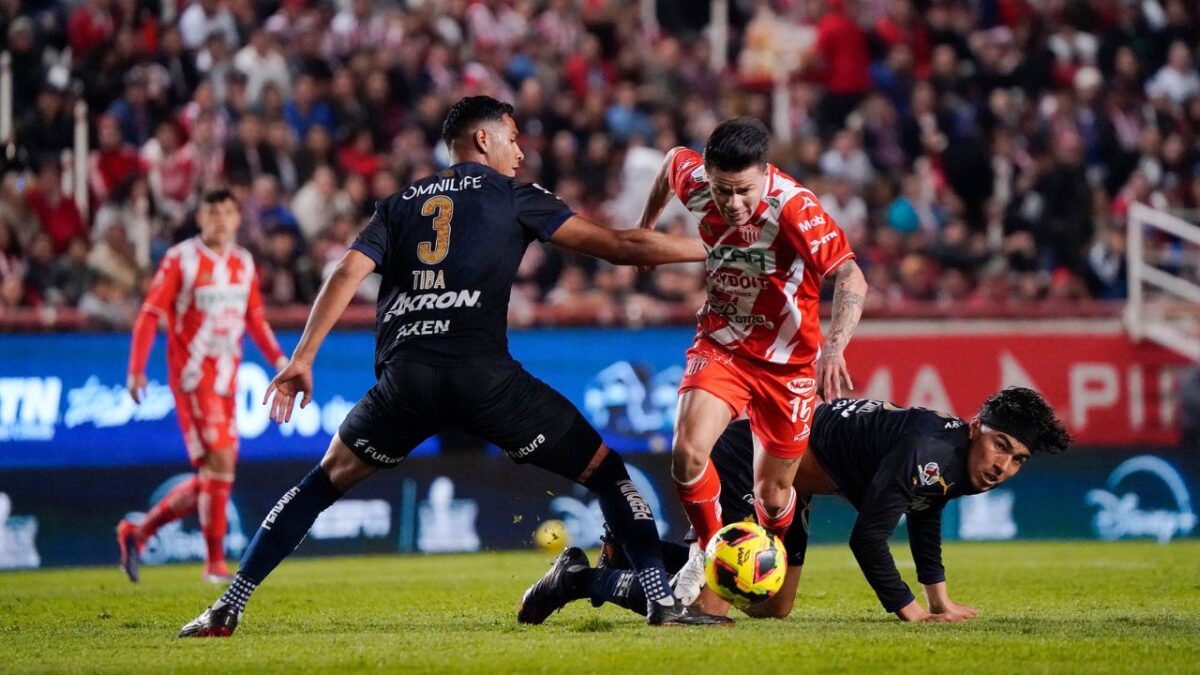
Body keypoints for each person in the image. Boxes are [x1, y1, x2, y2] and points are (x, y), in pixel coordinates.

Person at [178, 96, 730, 638]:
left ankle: (227, 606)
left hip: (405, 381)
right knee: (607, 473)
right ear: (483, 139)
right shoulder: (515, 195)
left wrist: (302, 358)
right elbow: (620, 246)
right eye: (512, 138)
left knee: (319, 485)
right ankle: (660, 600)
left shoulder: (398, 202)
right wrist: (714, 248)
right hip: (483, 378)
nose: (519, 152)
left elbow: (346, 273)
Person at [519, 388, 1070, 623]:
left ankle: (636, 556)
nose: (1004, 466)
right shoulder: (931, 451)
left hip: (792, 485)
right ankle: (581, 579)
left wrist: (940, 598)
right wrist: (910, 610)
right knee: (708, 611)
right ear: (977, 428)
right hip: (751, 462)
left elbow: (924, 510)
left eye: (1018, 459)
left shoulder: (966, 461)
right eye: (1001, 446)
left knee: (773, 606)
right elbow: (867, 538)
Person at [636, 117, 868, 602]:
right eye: (723, 190)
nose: (734, 203)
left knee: (773, 495)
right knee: (688, 452)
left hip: (788, 366)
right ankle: (706, 550)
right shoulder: (695, 178)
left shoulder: (797, 208)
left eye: (744, 191)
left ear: (765, 173)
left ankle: (768, 561)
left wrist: (834, 347)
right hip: (722, 345)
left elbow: (851, 277)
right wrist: (647, 227)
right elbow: (668, 163)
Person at [118, 189, 287, 583]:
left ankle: (138, 532)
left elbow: (255, 320)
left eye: (228, 212)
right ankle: (213, 565)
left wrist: (281, 361)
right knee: (221, 464)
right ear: (199, 218)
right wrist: (136, 369)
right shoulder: (181, 259)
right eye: (212, 212)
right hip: (193, 379)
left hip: (229, 379)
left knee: (216, 474)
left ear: (238, 219)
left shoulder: (244, 263)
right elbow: (149, 315)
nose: (220, 220)